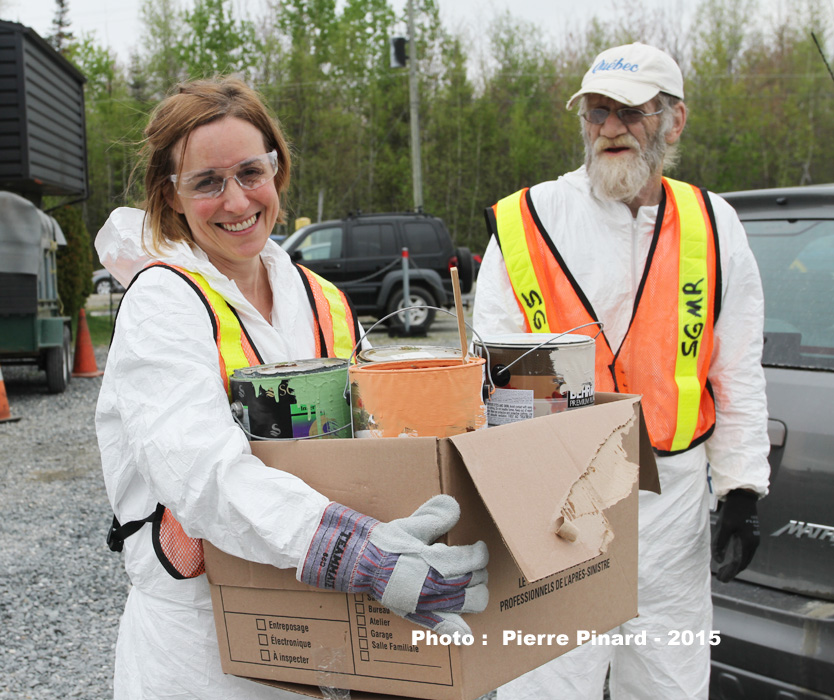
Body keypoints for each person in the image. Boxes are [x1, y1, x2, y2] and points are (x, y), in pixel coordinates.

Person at [95, 76, 489, 700]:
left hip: (324, 623)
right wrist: (353, 552)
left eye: (251, 172)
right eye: (207, 182)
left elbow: (370, 434)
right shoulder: (163, 304)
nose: (236, 200)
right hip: (206, 640)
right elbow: (199, 471)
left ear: (277, 169)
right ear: (170, 196)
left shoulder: (320, 297)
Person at [473, 43, 769, 699]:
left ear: (675, 119)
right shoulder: (529, 220)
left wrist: (742, 489)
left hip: (676, 506)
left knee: (670, 683)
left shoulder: (713, 225)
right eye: (597, 111)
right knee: (548, 685)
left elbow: (736, 367)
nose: (609, 128)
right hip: (559, 504)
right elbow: (491, 367)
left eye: (629, 112)